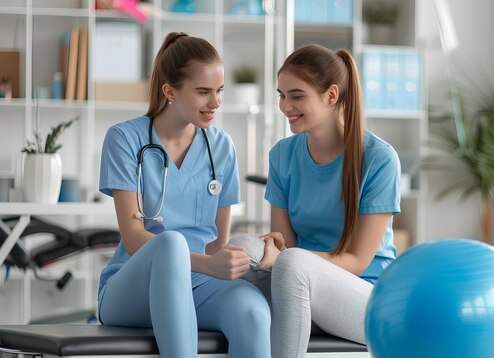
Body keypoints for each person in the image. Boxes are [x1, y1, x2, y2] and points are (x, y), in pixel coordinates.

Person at [97, 32, 271, 358]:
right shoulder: (124, 138)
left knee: (253, 313)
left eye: (219, 91)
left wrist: (236, 261)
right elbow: (135, 239)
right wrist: (208, 263)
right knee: (171, 243)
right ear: (170, 91)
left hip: (198, 284)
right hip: (131, 287)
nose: (216, 102)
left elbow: (218, 243)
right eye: (203, 92)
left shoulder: (222, 147)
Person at [232, 43, 401, 358]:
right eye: (281, 95)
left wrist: (284, 260)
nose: (285, 106)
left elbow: (357, 260)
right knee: (241, 247)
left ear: (331, 95)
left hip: (367, 300)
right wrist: (274, 255)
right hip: (299, 286)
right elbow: (284, 243)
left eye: (297, 96)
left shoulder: (379, 158)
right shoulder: (283, 154)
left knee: (294, 262)